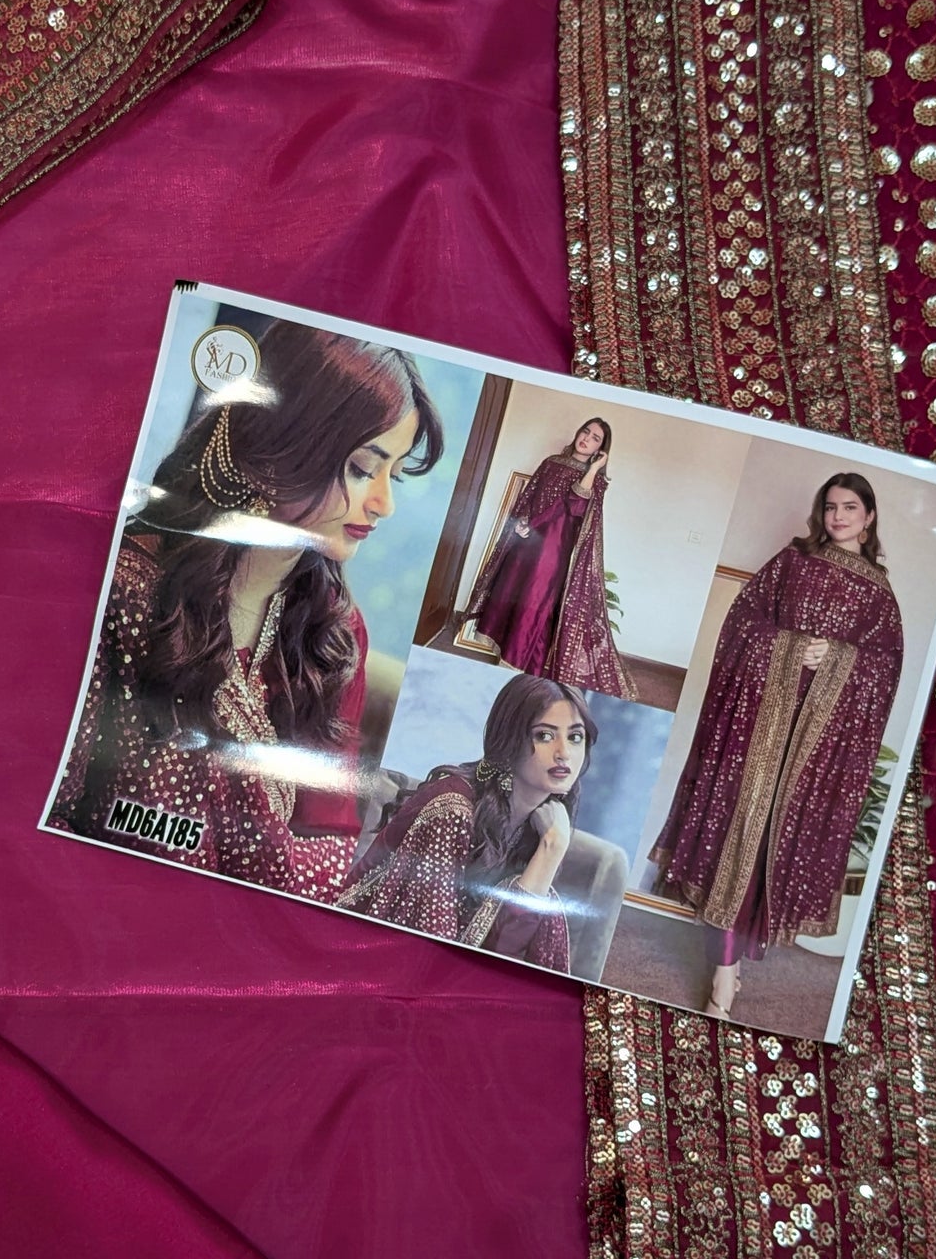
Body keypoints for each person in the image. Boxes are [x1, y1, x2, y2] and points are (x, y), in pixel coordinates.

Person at [49, 321, 444, 898]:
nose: (384, 503)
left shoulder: (335, 632)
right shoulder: (124, 592)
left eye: (395, 475)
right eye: (362, 469)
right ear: (282, 446)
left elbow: (329, 838)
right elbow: (52, 808)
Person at [650, 472, 902, 1020]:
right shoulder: (793, 561)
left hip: (815, 746)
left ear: (868, 516)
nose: (838, 516)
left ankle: (732, 962)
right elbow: (742, 620)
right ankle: (724, 972)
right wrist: (790, 648)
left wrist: (836, 658)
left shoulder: (879, 595)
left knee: (771, 846)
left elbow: (886, 671)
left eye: (850, 507)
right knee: (735, 835)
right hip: (758, 724)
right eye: (830, 506)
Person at [337, 673, 597, 973]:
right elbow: (433, 948)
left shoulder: (546, 824)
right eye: (544, 736)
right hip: (362, 951)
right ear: (510, 739)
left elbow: (500, 956)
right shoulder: (452, 808)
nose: (564, 753)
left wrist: (551, 849)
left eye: (575, 737)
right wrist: (551, 850)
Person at [460, 418, 633, 697]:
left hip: (553, 551)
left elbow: (576, 506)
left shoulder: (596, 481)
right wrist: (521, 521)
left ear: (601, 449)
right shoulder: (551, 462)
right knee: (510, 595)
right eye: (586, 432)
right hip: (526, 543)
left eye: (596, 438)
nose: (587, 439)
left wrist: (593, 468)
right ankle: (506, 664)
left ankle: (516, 668)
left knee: (534, 604)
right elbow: (530, 496)